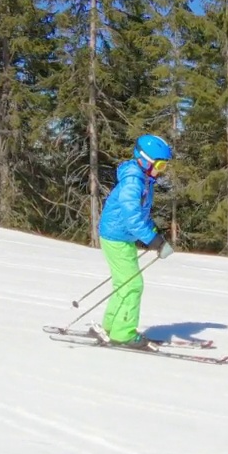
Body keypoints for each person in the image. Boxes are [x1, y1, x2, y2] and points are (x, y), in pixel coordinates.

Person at [96, 133, 175, 348]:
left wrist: (154, 232)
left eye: (164, 166)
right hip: (117, 237)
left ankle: (111, 326)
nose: (161, 170)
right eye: (160, 165)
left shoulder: (143, 179)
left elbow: (140, 215)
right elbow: (132, 220)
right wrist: (153, 241)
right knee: (133, 286)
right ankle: (123, 334)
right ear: (144, 160)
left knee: (124, 283)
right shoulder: (134, 183)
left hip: (121, 237)